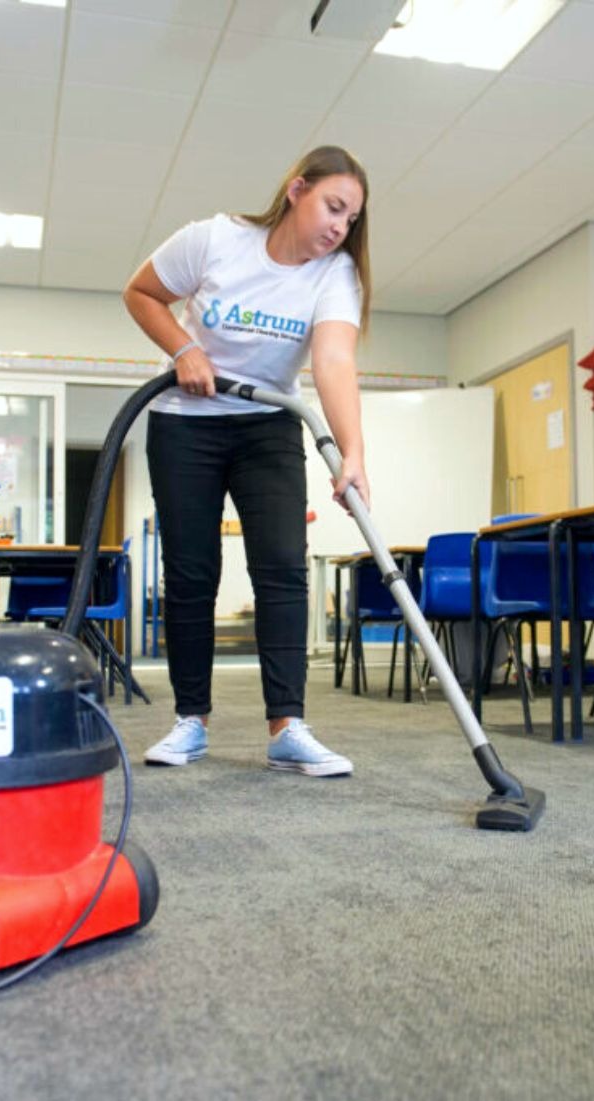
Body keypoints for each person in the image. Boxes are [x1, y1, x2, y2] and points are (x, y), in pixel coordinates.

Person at [123, 145, 372, 778]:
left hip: (269, 426)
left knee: (283, 569)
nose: (340, 226)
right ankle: (190, 721)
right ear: (296, 190)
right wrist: (183, 348)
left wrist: (354, 453)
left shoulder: (334, 272)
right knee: (191, 572)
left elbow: (335, 361)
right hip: (185, 423)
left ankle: (288, 726)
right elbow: (142, 293)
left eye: (350, 218)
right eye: (333, 206)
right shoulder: (214, 240)